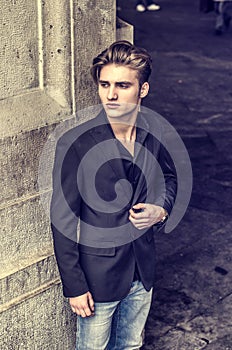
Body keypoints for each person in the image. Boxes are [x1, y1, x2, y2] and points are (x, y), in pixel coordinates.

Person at [50, 40, 177, 349]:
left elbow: (170, 178)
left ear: (143, 90)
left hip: (142, 269)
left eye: (122, 85)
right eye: (104, 84)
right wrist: (74, 286)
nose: (111, 94)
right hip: (98, 279)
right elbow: (62, 220)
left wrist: (162, 210)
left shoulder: (155, 133)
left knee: (132, 345)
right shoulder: (75, 144)